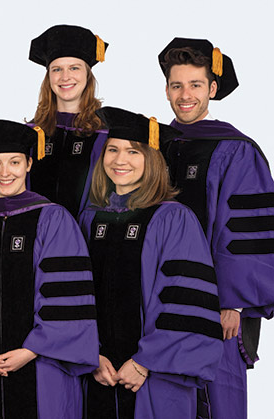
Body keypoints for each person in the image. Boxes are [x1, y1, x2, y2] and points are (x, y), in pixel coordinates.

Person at [0, 119, 99, 419]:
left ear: (28, 164)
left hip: (43, 365)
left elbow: (67, 299)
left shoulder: (54, 220)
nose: (4, 172)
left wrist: (30, 350)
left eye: (14, 162)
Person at [80, 106, 224, 418]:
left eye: (133, 151)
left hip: (154, 377)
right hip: (98, 373)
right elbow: (76, 296)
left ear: (152, 159)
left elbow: (186, 300)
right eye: (112, 150)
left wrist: (144, 362)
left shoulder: (173, 218)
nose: (120, 160)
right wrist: (92, 355)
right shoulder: (91, 219)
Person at [158, 37, 274, 419]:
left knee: (217, 401)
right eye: (177, 85)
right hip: (158, 304)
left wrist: (233, 302)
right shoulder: (154, 147)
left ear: (212, 88)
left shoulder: (235, 149)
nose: (185, 95)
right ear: (166, 90)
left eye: (195, 85)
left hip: (217, 307)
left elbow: (245, 232)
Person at [27, 24, 109, 218]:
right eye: (57, 69)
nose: (65, 77)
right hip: (36, 231)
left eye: (74, 68)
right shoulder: (32, 132)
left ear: (87, 75)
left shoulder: (106, 133)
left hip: (87, 232)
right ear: (48, 77)